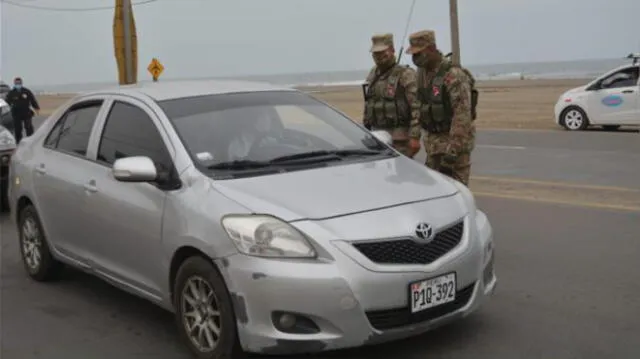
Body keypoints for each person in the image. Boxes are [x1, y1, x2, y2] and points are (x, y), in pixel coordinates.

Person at [405, 30, 478, 186]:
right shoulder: (422, 74)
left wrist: (451, 154)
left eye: (419, 53)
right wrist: (414, 135)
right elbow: (418, 106)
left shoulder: (453, 75)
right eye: (413, 55)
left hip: (454, 150)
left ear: (431, 49)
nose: (415, 59)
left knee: (457, 194)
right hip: (433, 147)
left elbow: (462, 117)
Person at [362, 33, 419, 157]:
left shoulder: (405, 74)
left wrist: (415, 136)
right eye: (375, 53)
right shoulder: (373, 74)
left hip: (400, 139)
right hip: (377, 137)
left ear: (392, 50)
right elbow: (369, 103)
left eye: (383, 52)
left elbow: (417, 107)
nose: (379, 56)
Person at [4, 77, 40, 143]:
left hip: (26, 113)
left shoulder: (27, 91)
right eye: (16, 83)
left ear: (21, 83)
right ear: (14, 84)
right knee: (18, 129)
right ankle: (18, 142)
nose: (18, 84)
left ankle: (31, 141)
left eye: (19, 83)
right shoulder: (11, 93)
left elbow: (32, 100)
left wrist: (36, 108)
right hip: (16, 114)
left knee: (29, 128)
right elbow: (7, 103)